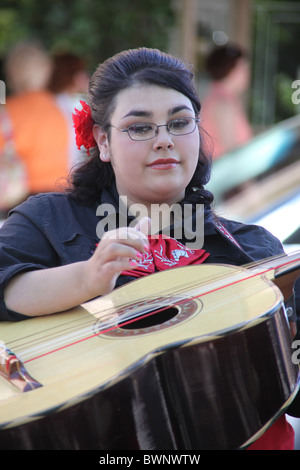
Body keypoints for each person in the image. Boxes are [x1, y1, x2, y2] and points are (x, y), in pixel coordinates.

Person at [0, 47, 298, 450]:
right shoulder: (48, 220)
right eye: (140, 128)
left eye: (179, 123)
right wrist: (86, 277)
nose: (164, 141)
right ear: (103, 141)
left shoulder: (254, 250)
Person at [0, 41, 69, 206]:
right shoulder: (61, 107)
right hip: (61, 193)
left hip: (19, 199)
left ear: (11, 73)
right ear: (46, 71)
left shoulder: (7, 110)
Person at [201, 43, 253, 159]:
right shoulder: (223, 103)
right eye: (244, 69)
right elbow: (231, 155)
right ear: (230, 70)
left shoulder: (219, 97)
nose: (247, 74)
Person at [48, 52, 90, 168]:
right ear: (71, 75)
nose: (85, 76)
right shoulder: (61, 103)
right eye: (80, 71)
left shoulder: (65, 101)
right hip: (65, 172)